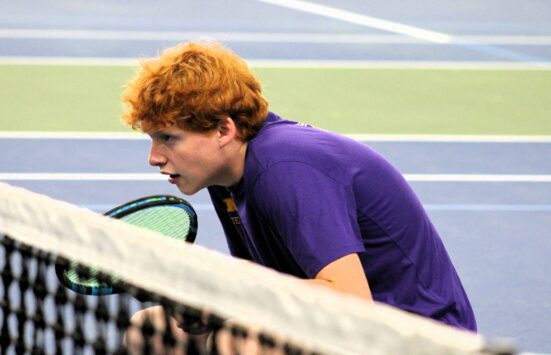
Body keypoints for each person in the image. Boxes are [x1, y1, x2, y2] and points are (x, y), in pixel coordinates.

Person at [121, 40, 477, 351]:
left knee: (241, 342)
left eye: (168, 138)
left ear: (223, 130)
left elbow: (351, 301)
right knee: (151, 330)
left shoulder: (286, 168)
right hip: (346, 331)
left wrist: (226, 301)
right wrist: (209, 300)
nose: (154, 157)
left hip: (418, 337)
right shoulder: (226, 176)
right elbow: (266, 282)